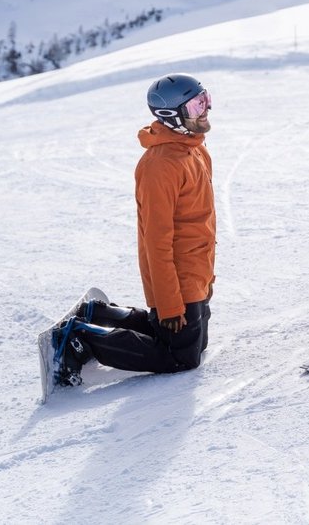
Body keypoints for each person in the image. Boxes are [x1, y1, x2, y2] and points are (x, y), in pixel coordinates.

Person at [50, 73, 217, 387]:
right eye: (196, 106)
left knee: (192, 344)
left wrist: (206, 278)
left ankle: (100, 314)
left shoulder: (195, 151)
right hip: (177, 276)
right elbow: (155, 241)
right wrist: (168, 302)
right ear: (171, 115)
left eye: (205, 100)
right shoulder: (161, 166)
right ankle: (79, 338)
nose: (205, 109)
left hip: (196, 271)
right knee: (180, 358)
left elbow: (198, 222)